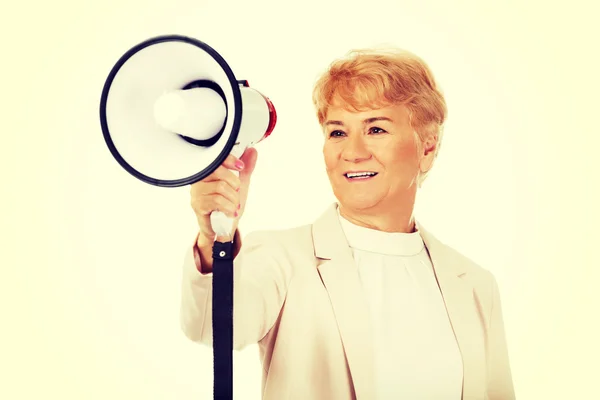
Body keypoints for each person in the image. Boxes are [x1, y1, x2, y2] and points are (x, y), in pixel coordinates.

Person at [179, 47, 516, 400]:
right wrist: (212, 237)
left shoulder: (476, 286)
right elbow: (212, 328)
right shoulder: (282, 259)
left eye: (376, 128)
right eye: (337, 132)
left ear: (427, 147)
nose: (353, 152)